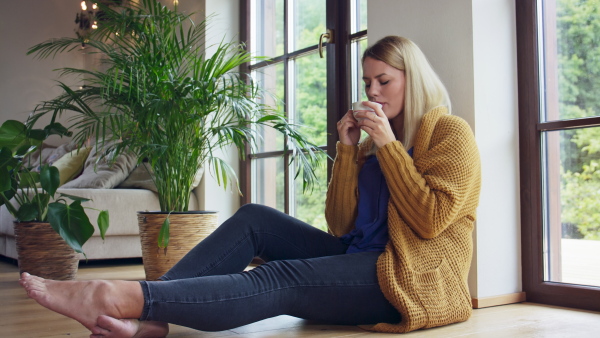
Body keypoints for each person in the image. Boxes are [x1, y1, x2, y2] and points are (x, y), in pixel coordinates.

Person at [19, 35, 481, 337]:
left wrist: (388, 146)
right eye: (368, 81)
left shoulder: (448, 134)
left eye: (385, 81)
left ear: (411, 80)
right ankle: (152, 317)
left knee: (279, 278)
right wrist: (347, 152)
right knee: (256, 218)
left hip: (407, 277)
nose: (373, 92)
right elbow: (341, 225)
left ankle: (123, 298)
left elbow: (430, 219)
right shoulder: (375, 147)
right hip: (359, 257)